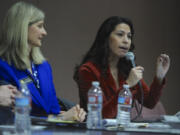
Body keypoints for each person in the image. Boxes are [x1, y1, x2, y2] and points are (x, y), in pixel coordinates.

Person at [0, 1, 86, 122]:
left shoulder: (43, 66)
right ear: (23, 27)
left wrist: (73, 115)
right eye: (39, 26)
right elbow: (12, 118)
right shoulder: (3, 66)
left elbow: (53, 109)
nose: (44, 32)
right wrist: (60, 118)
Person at [73, 16, 170, 118]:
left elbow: (149, 102)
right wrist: (128, 84)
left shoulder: (127, 69)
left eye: (129, 36)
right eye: (120, 35)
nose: (126, 41)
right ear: (106, 38)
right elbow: (102, 115)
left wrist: (159, 77)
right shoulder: (88, 70)